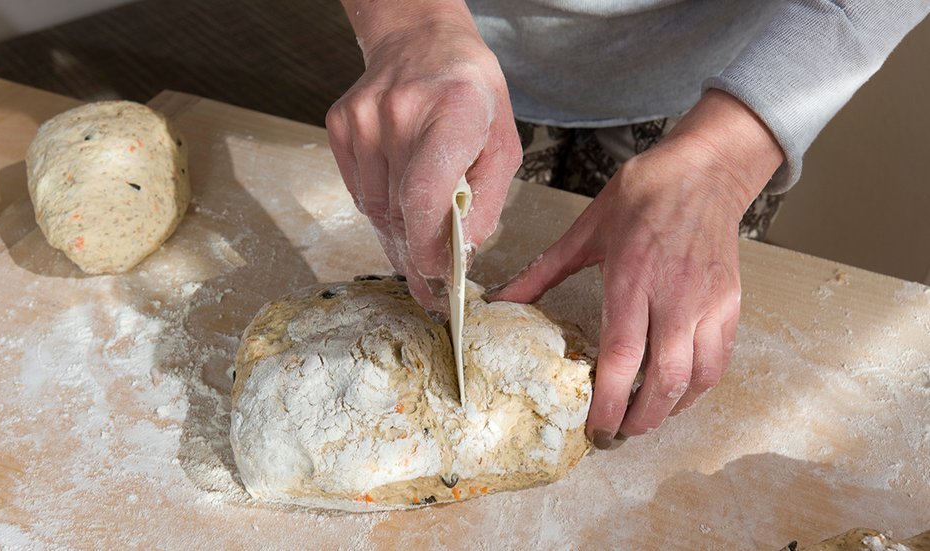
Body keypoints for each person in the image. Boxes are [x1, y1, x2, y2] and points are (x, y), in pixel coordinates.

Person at [325, 0, 930, 449]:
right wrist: (409, 27)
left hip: (727, 83)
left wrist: (722, 160)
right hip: (442, 57)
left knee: (654, 341)